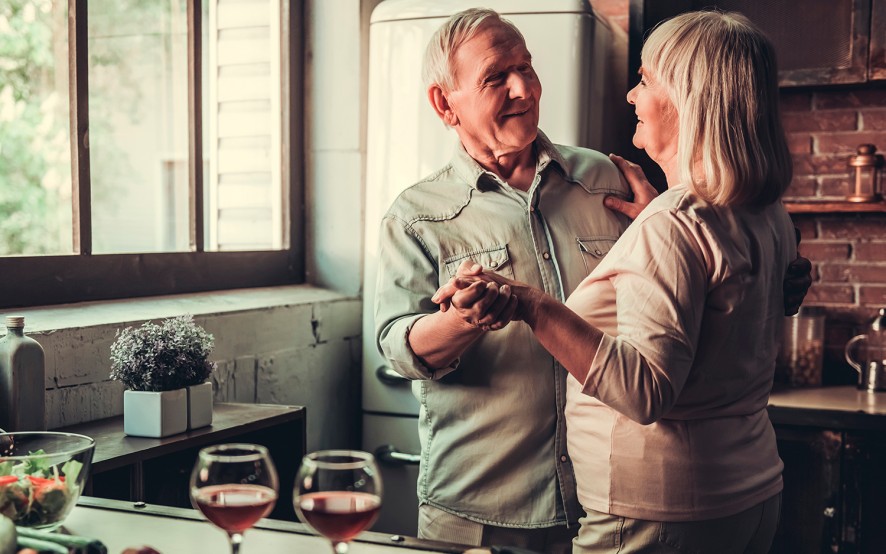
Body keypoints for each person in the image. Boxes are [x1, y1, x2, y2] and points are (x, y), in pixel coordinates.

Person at [376, 7, 810, 552]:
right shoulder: (415, 215)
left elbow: (694, 280)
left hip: (604, 502)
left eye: (526, 68)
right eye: (495, 77)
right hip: (483, 506)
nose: (523, 89)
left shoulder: (611, 181)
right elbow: (397, 348)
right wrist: (462, 319)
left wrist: (745, 270)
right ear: (445, 103)